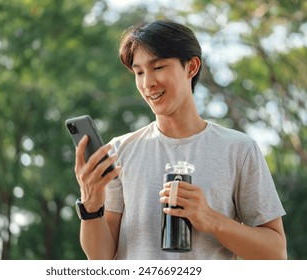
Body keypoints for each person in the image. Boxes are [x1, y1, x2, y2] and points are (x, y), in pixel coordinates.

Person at [73, 19, 287, 260]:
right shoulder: (120, 151)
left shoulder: (239, 149)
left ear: (191, 67)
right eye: (139, 72)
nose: (147, 83)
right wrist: (90, 206)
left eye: (158, 67)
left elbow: (276, 253)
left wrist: (210, 219)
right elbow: (101, 259)